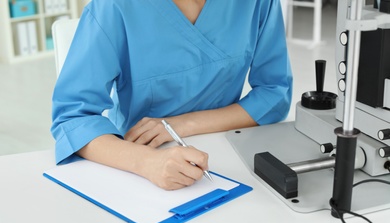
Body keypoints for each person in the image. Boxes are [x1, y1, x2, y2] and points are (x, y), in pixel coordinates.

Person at [51, 0, 293, 190]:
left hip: (227, 154)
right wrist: (146, 162)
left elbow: (274, 93)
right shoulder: (114, 7)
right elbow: (72, 119)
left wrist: (180, 124)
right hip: (139, 159)